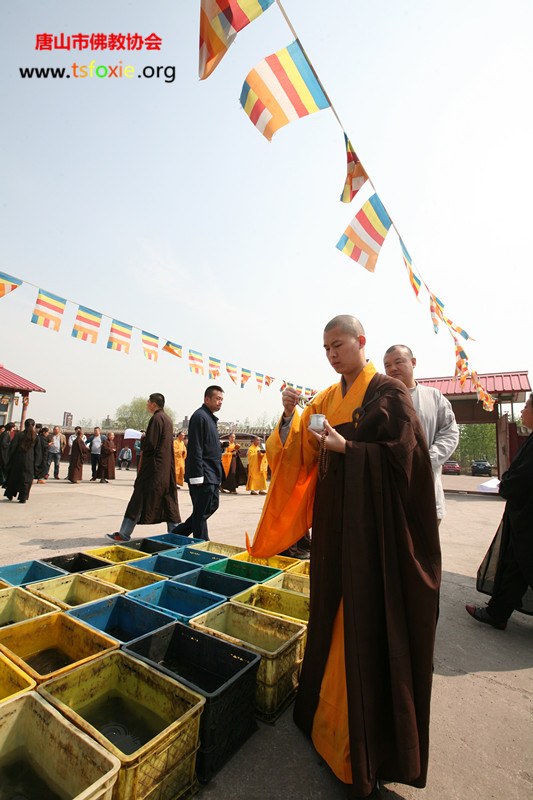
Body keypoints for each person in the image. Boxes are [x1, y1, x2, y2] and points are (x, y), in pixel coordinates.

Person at [248, 315, 440, 799]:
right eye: (326, 348)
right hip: (333, 528)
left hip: (373, 535)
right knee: (331, 613)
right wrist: (289, 413)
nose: (332, 354)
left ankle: (360, 746)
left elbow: (406, 461)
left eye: (339, 345)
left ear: (361, 343)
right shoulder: (327, 399)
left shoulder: (388, 394)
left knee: (366, 621)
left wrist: (352, 450)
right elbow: (299, 456)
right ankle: (323, 721)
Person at [466, 393, 533, 629]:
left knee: (520, 563)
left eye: (525, 406)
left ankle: (497, 613)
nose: (522, 411)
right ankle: (497, 613)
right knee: (515, 565)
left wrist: (505, 484)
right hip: (523, 518)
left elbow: (523, 478)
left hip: (528, 521)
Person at [383, 344, 459, 524]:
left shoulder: (433, 397)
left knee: (425, 549)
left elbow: (449, 432)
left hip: (427, 490)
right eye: (387, 365)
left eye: (398, 362)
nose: (392, 368)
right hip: (391, 492)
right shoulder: (381, 400)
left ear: (413, 362)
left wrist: (426, 459)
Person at [106, 394, 180, 542]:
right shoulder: (167, 420)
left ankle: (124, 533)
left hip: (153, 470)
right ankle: (176, 535)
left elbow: (151, 445)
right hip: (165, 470)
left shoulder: (156, 419)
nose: (147, 405)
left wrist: (143, 437)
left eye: (148, 402)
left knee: (138, 499)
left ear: (153, 404)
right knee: (168, 501)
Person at [171, 386, 225, 541]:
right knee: (200, 513)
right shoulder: (200, 417)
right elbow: (196, 448)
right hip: (203, 474)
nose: (220, 402)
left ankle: (177, 534)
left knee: (211, 507)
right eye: (217, 398)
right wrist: (197, 476)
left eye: (221, 399)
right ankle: (201, 543)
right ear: (207, 399)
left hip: (213, 473)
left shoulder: (210, 418)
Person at [3, 418, 37, 503]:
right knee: (26, 480)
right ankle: (23, 497)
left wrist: (9, 459)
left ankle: (10, 494)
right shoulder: (35, 437)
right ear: (33, 426)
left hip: (18, 459)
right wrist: (36, 464)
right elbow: (38, 452)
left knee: (14, 477)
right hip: (29, 461)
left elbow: (12, 448)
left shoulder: (19, 435)